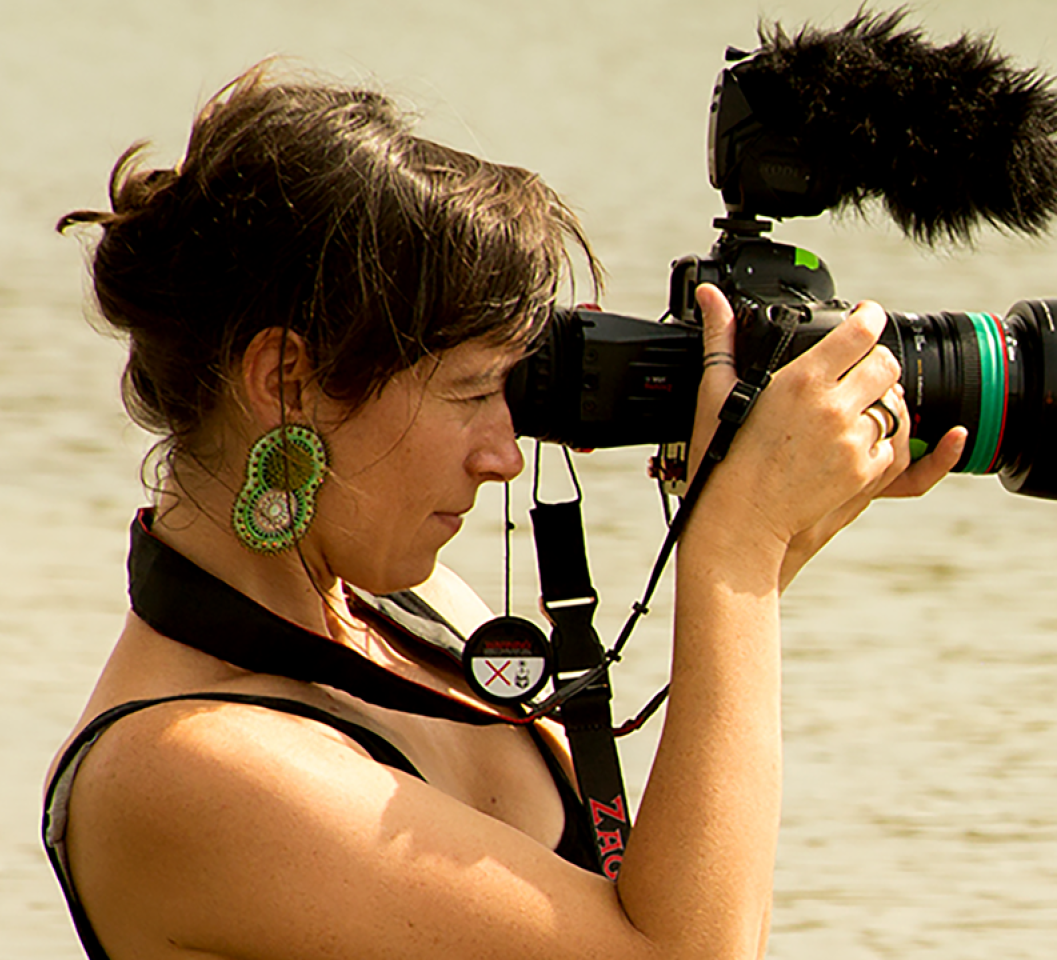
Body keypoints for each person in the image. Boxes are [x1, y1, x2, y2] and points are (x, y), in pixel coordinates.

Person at [44, 62, 965, 960]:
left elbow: (667, 899)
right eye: (471, 391)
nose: (505, 453)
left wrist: (774, 523)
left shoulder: (417, 608)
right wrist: (737, 554)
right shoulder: (180, 770)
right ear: (287, 381)